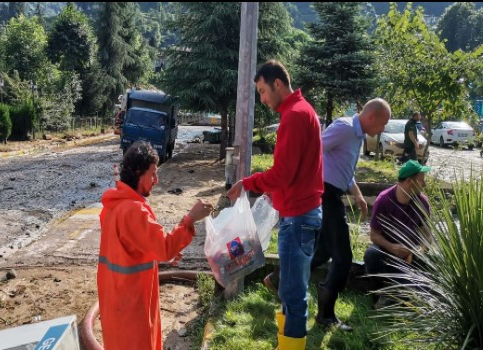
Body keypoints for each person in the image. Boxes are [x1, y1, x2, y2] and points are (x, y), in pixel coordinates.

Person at [227, 59, 323, 349]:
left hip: (299, 217)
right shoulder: (302, 111)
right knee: (292, 290)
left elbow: (282, 174)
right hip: (302, 213)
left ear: (277, 84)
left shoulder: (294, 115)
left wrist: (248, 183)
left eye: (262, 91)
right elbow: (294, 173)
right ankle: (287, 341)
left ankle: (290, 345)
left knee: (293, 294)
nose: (262, 99)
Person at [97, 141, 213, 350]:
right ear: (137, 173)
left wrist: (156, 251)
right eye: (152, 174)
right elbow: (165, 248)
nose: (156, 181)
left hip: (114, 297)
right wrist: (189, 219)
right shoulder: (133, 211)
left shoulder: (112, 206)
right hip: (132, 303)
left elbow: (129, 248)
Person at [310, 98, 391, 331]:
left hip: (333, 194)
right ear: (371, 117)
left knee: (323, 251)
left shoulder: (357, 134)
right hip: (325, 195)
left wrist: (357, 194)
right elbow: (313, 149)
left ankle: (279, 279)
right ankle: (325, 316)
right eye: (383, 123)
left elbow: (344, 169)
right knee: (343, 258)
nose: (383, 129)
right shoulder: (345, 128)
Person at [363, 160, 432, 306]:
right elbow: (374, 235)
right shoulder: (384, 200)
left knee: (426, 276)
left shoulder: (422, 202)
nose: (424, 185)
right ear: (408, 181)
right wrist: (391, 247)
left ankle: (397, 295)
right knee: (372, 254)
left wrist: (418, 251)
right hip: (387, 251)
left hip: (411, 255)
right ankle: (380, 291)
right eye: (421, 181)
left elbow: (427, 236)